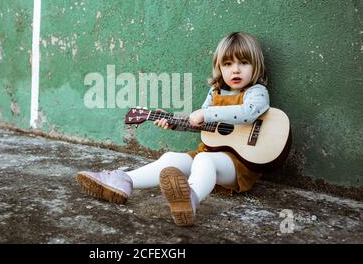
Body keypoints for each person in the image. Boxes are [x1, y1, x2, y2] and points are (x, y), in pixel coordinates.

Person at [76, 32, 270, 226]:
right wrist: (173, 120)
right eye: (228, 64)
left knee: (203, 159)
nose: (235, 70)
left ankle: (190, 199)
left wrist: (207, 113)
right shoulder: (216, 92)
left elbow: (248, 113)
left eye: (243, 63)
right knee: (171, 158)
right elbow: (204, 125)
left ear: (256, 66)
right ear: (219, 67)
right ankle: (123, 181)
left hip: (240, 164)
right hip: (209, 156)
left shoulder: (256, 92)